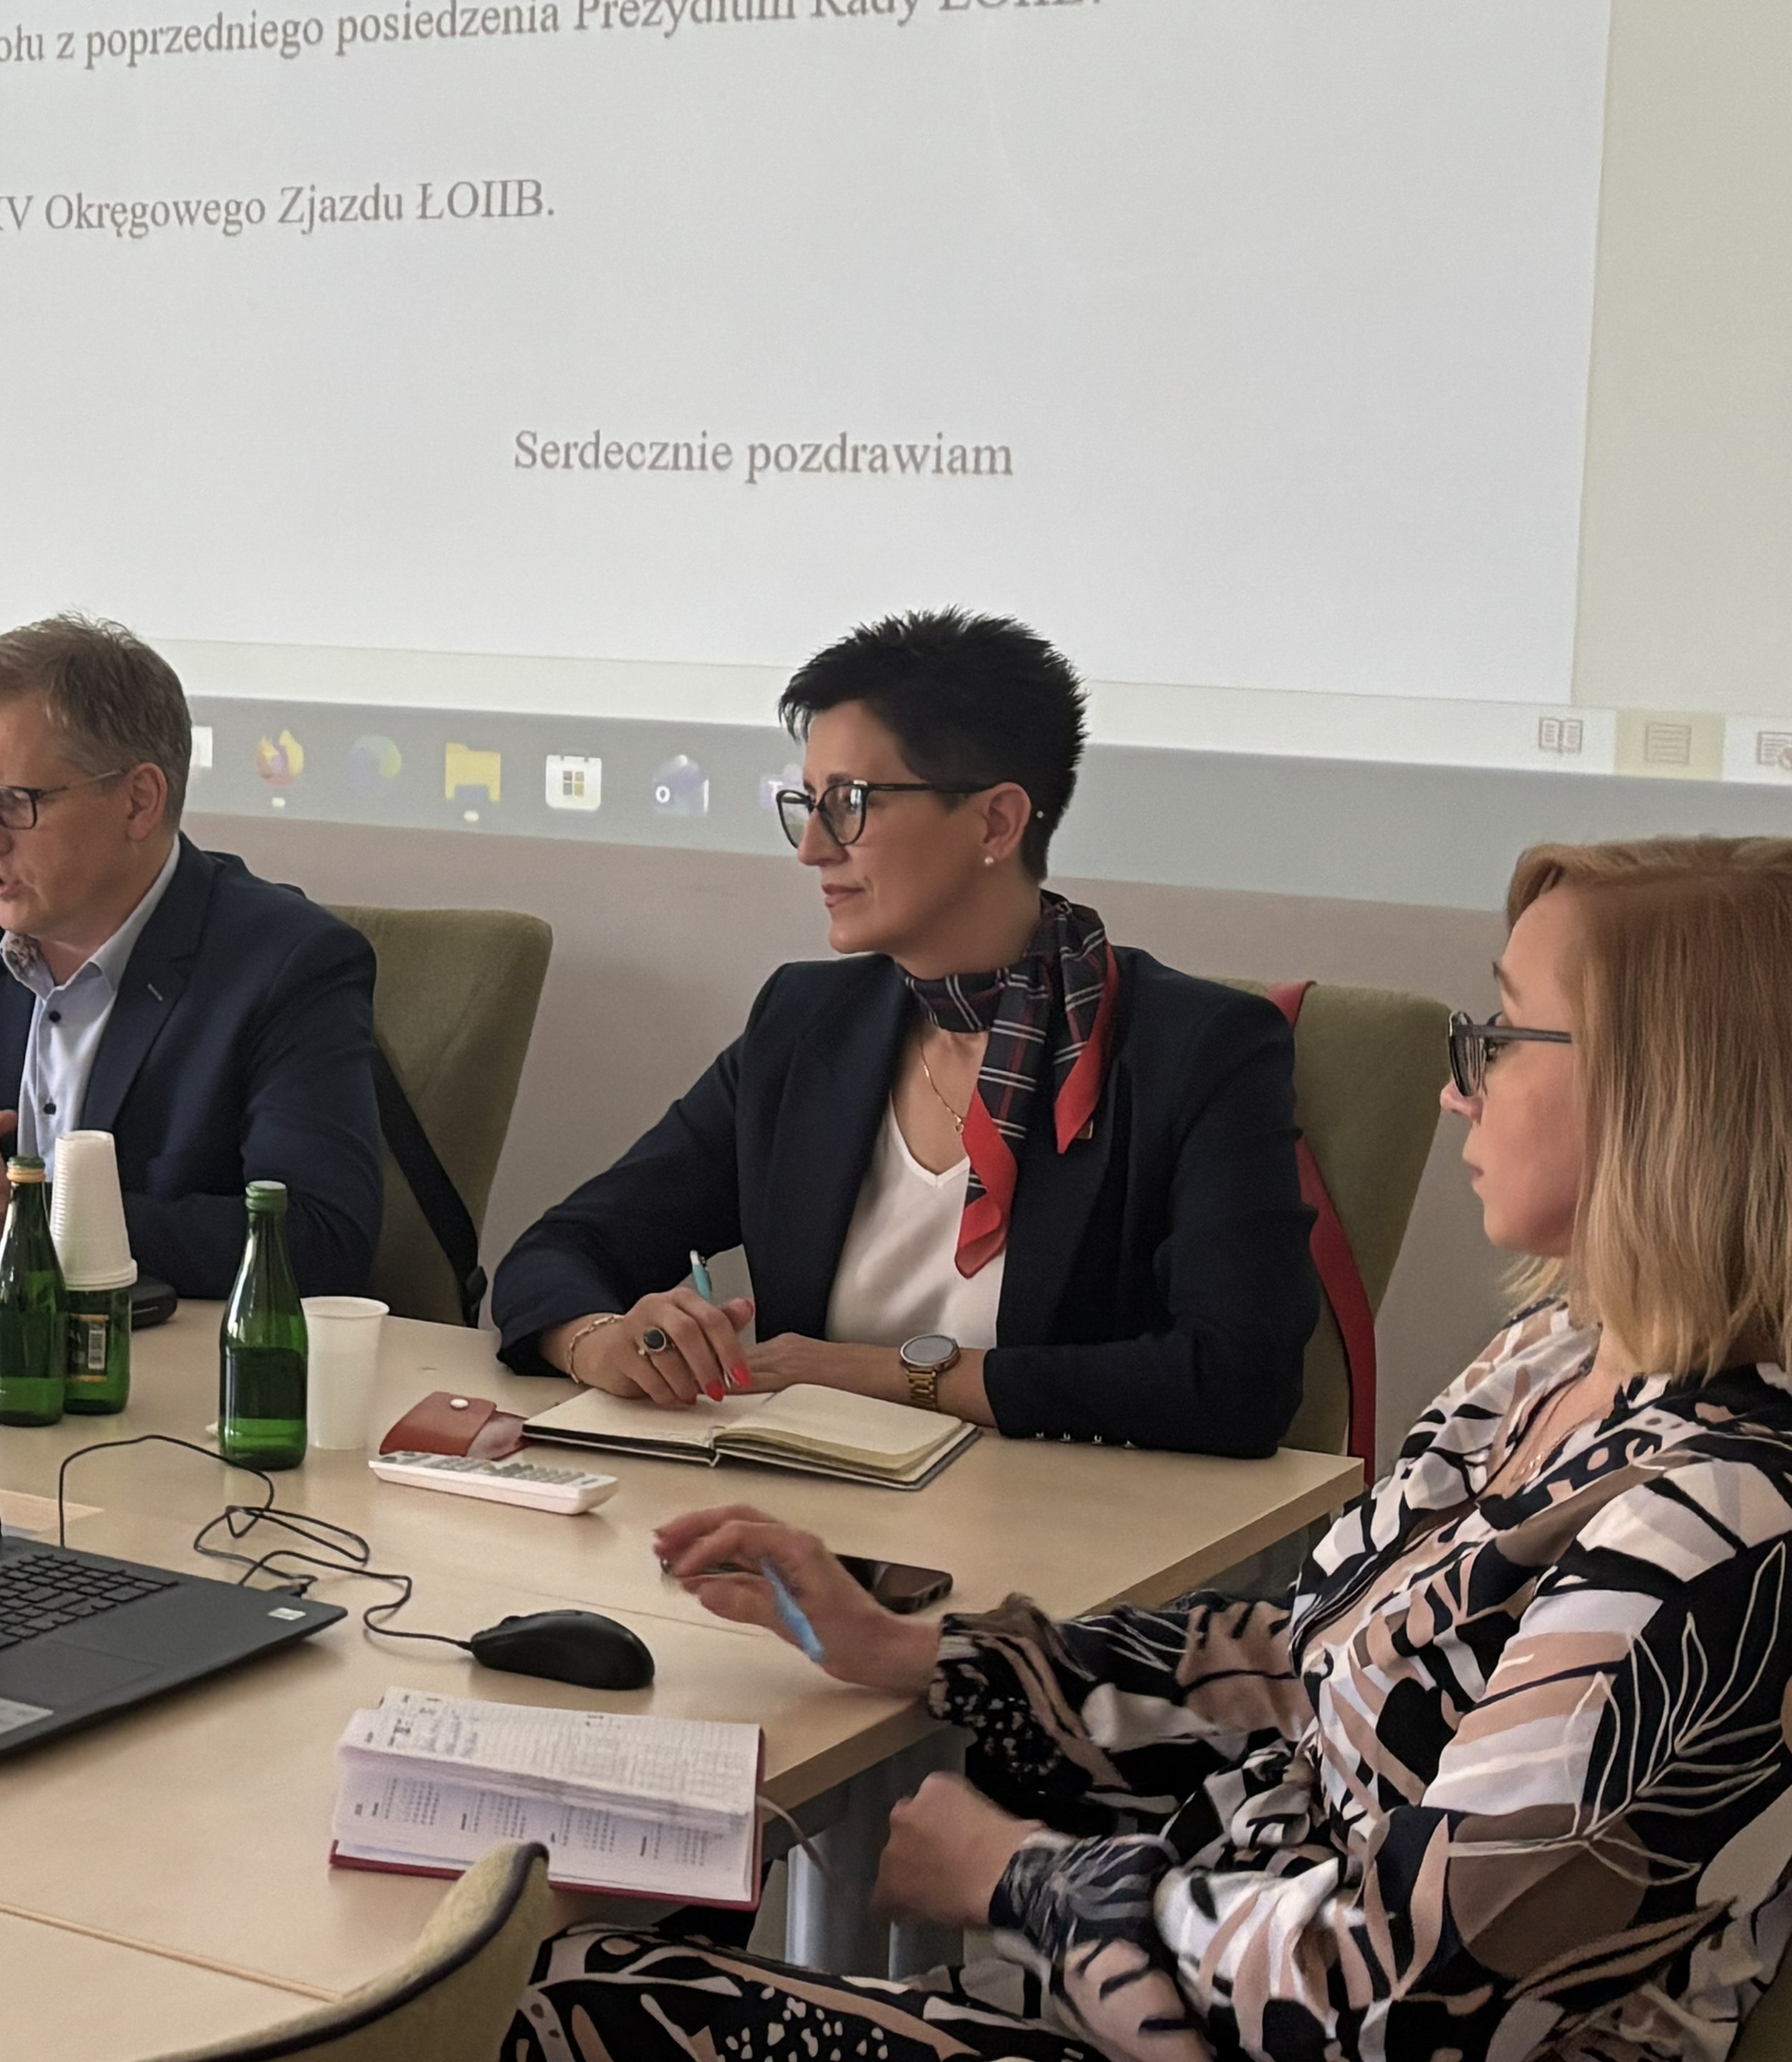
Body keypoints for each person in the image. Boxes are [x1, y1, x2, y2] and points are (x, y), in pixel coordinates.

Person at [519, 835, 1792, 2062]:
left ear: (1673, 1093)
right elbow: (1304, 1670)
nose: (1459, 1084)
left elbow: (1398, 1998)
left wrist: (1025, 1881)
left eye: (1504, 1034)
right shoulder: (1554, 1360)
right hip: (1174, 1988)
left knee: (553, 2000)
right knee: (576, 1967)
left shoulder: (1717, 1528)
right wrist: (918, 1647)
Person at [490, 611, 1312, 1457]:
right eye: (806, 805)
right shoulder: (804, 1023)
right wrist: (599, 1339)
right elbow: (561, 1249)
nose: (813, 848)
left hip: (1074, 1520)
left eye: (850, 804)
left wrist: (892, 1374)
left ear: (996, 823)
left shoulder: (1197, 1049)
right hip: (801, 1506)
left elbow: (1239, 1379)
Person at [0, 614, 388, 1297]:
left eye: (15, 801)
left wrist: (27, 1214)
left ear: (139, 802)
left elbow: (320, 1241)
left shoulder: (288, 964)